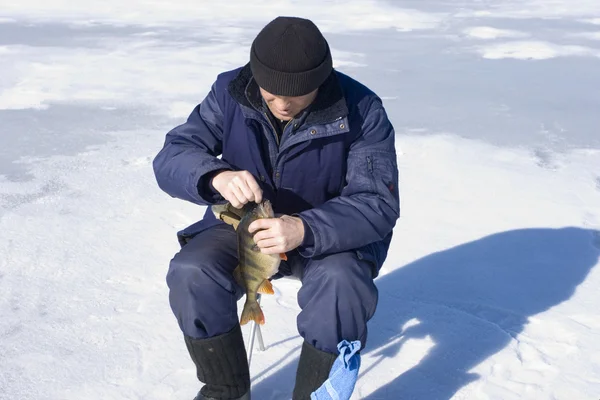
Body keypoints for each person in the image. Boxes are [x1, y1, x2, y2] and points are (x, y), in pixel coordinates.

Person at [153, 16, 400, 400]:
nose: (283, 104)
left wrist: (304, 228)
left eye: (298, 94)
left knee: (341, 289)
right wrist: (214, 176)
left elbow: (377, 203)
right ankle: (225, 390)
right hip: (245, 228)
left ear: (321, 79)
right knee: (191, 273)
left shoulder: (362, 110)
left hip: (326, 236)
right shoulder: (230, 92)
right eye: (271, 94)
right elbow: (173, 156)